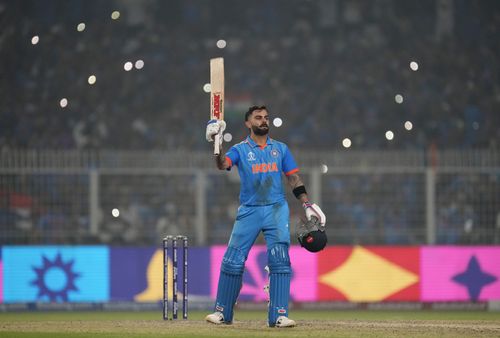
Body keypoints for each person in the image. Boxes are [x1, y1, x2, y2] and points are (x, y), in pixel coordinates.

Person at [204, 105, 326, 328]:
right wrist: (216, 144)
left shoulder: (280, 149)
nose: (263, 121)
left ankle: (279, 315)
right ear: (248, 123)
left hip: (276, 209)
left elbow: (294, 179)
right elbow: (222, 164)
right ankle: (222, 312)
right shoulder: (240, 149)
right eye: (258, 118)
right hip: (249, 210)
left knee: (280, 259)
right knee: (232, 262)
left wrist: (307, 204)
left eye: (266, 118)